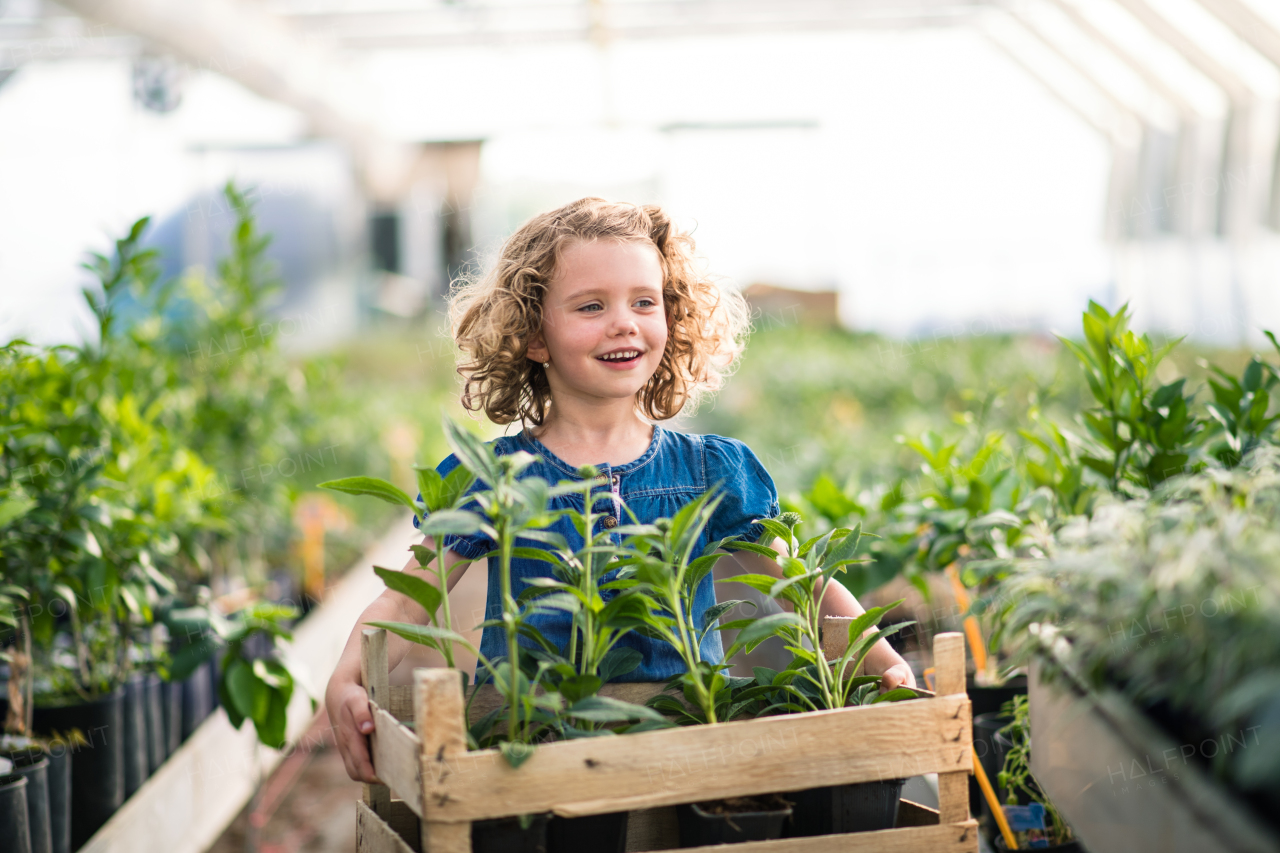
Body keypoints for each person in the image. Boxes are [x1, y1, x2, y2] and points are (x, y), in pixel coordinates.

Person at [325, 198, 917, 783]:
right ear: (534, 336)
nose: (624, 322)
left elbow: (803, 586)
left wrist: (882, 659)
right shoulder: (491, 476)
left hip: (688, 746)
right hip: (536, 751)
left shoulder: (711, 470)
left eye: (644, 302)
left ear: (672, 315)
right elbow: (408, 598)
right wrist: (348, 677)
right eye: (591, 306)